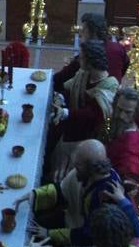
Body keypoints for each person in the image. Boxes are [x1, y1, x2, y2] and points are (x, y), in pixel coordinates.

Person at [27, 139, 139, 247]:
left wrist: (49, 234)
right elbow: (63, 189)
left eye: (78, 165)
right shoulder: (83, 173)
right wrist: (35, 195)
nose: (74, 168)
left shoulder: (106, 196)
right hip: (73, 221)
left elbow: (89, 235)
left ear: (91, 167)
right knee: (33, 226)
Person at [50, 39, 118, 172]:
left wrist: (65, 113)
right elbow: (72, 88)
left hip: (89, 138)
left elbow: (92, 114)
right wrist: (62, 97)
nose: (78, 60)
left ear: (91, 62)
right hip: (72, 127)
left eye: (81, 58)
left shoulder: (109, 86)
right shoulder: (84, 74)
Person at [54, 12, 129, 91]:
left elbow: (59, 79)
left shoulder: (87, 54)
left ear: (94, 32)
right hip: (115, 94)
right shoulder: (119, 47)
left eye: (84, 29)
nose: (81, 32)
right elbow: (125, 66)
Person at [106, 86, 139, 194]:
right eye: (119, 109)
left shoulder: (131, 144)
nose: (121, 116)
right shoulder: (120, 124)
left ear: (136, 113)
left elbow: (129, 182)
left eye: (128, 112)